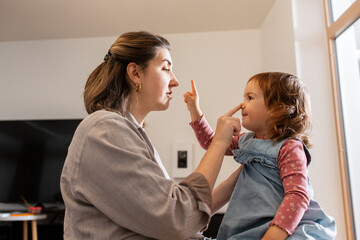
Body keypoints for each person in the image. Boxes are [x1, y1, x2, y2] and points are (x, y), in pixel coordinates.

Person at [60, 31, 242, 240]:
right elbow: (177, 219)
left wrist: (241, 176)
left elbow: (184, 210)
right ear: (135, 73)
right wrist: (218, 142)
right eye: (166, 69)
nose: (175, 81)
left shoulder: (130, 134)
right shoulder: (105, 130)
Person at [183, 73, 337, 239]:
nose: (242, 104)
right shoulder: (246, 141)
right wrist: (195, 112)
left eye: (250, 98)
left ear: (277, 110)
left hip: (286, 228)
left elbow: (297, 195)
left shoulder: (289, 148)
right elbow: (212, 143)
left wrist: (274, 234)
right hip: (252, 226)